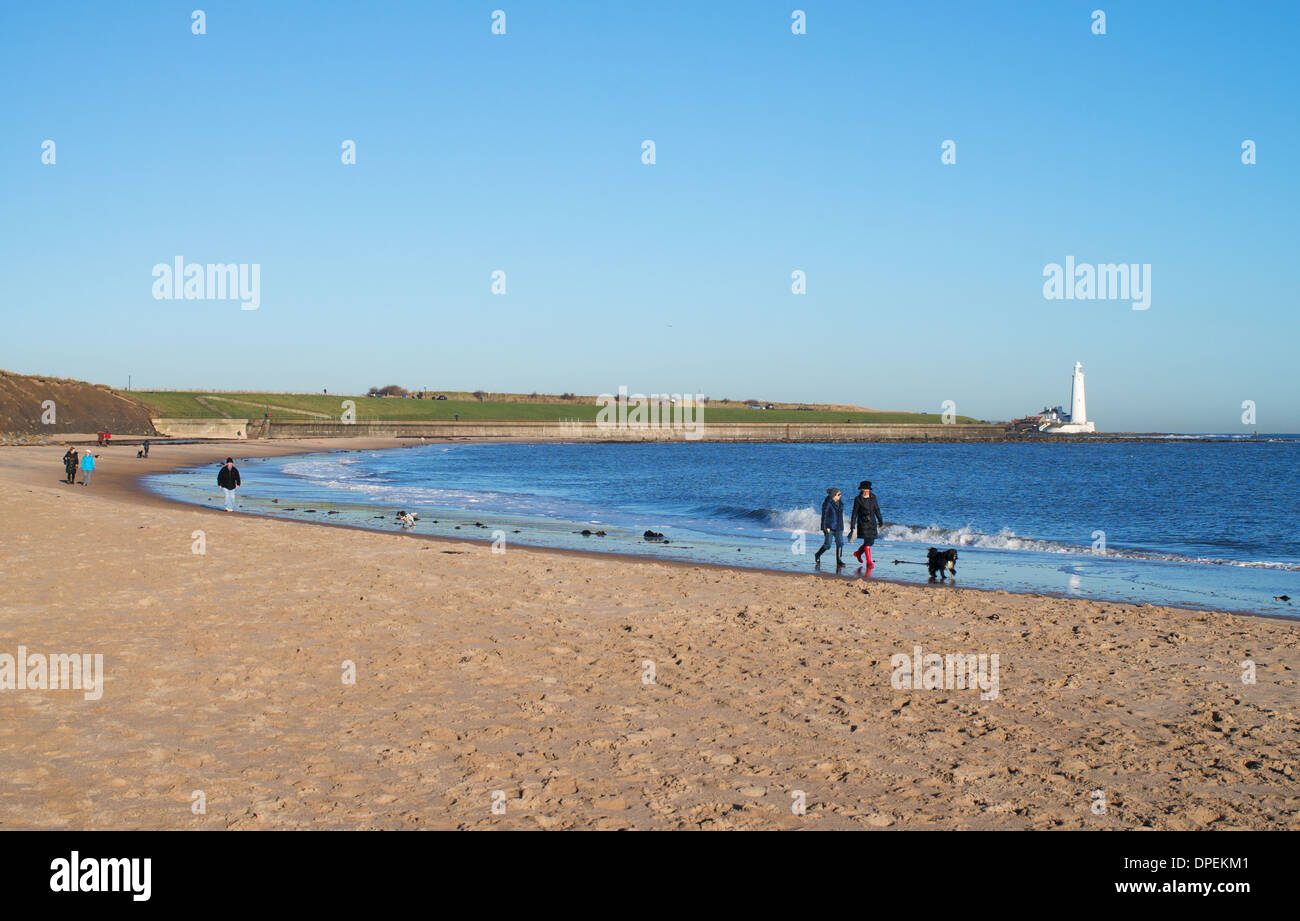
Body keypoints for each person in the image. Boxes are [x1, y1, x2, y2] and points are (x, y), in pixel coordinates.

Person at [849, 480, 884, 568]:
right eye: (863, 489)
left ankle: (858, 553)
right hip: (863, 523)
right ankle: (869, 562)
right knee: (867, 542)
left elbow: (876, 509)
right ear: (861, 490)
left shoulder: (873, 497)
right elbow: (854, 512)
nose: (865, 491)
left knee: (871, 542)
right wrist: (852, 525)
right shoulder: (858, 499)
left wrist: (880, 520)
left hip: (872, 522)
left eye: (866, 489)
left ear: (869, 490)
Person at [814, 487, 845, 570]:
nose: (840, 495)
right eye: (839, 494)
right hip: (829, 527)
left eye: (840, 494)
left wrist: (842, 526)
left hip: (839, 526)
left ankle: (839, 561)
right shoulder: (827, 503)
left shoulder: (840, 502)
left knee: (840, 543)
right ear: (834, 495)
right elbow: (824, 516)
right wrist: (825, 527)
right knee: (828, 545)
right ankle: (817, 555)